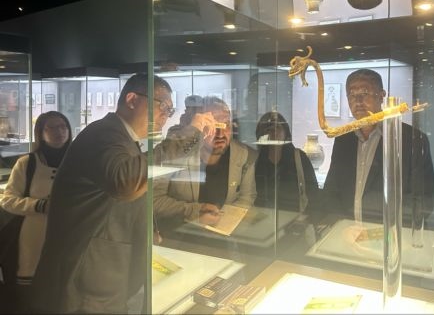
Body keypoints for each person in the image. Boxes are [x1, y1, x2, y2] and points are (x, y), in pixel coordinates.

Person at [31, 73, 174, 314]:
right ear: (132, 100)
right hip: (85, 281)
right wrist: (183, 139)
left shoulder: (120, 138)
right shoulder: (103, 134)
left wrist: (146, 230)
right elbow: (125, 183)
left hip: (99, 273)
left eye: (170, 110)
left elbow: (118, 200)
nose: (166, 115)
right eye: (163, 106)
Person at [323, 69, 434, 225]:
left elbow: (422, 201)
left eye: (365, 92)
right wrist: (343, 226)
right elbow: (331, 191)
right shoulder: (343, 140)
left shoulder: (412, 140)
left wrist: (381, 233)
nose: (358, 100)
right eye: (352, 94)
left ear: (382, 96)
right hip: (348, 232)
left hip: (389, 235)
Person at [0, 111, 72, 314]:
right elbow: (8, 200)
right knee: (30, 300)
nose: (59, 132)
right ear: (40, 132)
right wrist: (39, 206)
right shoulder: (27, 163)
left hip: (68, 240)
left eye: (63, 126)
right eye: (52, 127)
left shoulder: (78, 163)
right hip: (32, 242)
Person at [153, 96, 257, 226]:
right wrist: (193, 212)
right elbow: (153, 200)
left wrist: (227, 223)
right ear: (198, 127)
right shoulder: (176, 153)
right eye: (213, 125)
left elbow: (247, 197)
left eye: (226, 124)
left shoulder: (243, 155)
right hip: (180, 232)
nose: (220, 134)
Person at [254, 111, 319, 214]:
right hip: (261, 217)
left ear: (286, 132)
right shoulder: (255, 159)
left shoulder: (299, 158)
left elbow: (313, 193)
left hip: (294, 217)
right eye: (269, 129)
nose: (274, 132)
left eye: (278, 127)